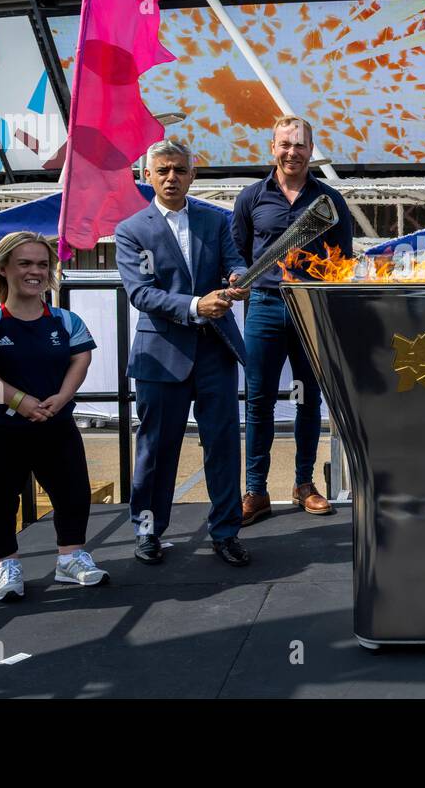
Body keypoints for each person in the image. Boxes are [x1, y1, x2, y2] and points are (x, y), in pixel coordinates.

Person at [114, 139, 251, 567]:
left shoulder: (216, 221)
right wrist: (196, 306)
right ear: (147, 177)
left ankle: (226, 531)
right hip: (161, 355)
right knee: (156, 448)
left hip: (215, 352)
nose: (171, 177)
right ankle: (148, 531)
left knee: (224, 445)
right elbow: (141, 293)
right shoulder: (131, 230)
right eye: (163, 171)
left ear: (193, 175)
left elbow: (237, 262)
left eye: (179, 170)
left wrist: (240, 276)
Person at [0, 232, 106, 601]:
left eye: (43, 264)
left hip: (56, 426)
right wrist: (19, 401)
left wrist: (61, 398)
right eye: (25, 264)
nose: (35, 272)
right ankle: (6, 565)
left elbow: (81, 357)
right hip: (5, 430)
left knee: (73, 495)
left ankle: (70, 558)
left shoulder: (66, 320)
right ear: (3, 268)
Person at [232, 116, 353, 525]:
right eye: (285, 144)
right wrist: (236, 274)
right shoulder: (251, 198)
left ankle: (304, 484)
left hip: (310, 309)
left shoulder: (330, 201)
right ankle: (256, 491)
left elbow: (344, 262)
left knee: (307, 400)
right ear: (272, 147)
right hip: (264, 308)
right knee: (259, 402)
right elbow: (237, 252)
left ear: (310, 149)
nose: (292, 152)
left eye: (300, 145)